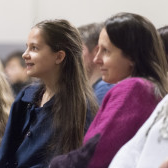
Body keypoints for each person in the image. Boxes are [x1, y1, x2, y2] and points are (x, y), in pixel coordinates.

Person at [0, 19, 99, 168]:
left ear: (59, 56)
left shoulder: (79, 108)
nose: (25, 55)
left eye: (34, 48)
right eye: (26, 47)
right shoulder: (26, 96)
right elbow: (4, 153)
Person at [49, 12, 168, 168]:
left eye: (106, 51)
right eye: (98, 50)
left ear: (132, 56)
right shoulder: (147, 88)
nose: (97, 59)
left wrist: (55, 164)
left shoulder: (134, 88)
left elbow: (96, 153)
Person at [78, 23, 114, 105]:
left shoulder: (104, 90)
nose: (73, 56)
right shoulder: (94, 90)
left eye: (78, 50)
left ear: (97, 51)